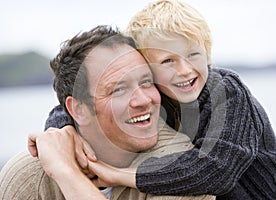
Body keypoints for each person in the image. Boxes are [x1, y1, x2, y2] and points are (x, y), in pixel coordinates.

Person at [41, 0, 276, 199]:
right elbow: (73, 104)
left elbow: (218, 172)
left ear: (208, 56)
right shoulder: (156, 93)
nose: (185, 70)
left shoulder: (227, 93)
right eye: (168, 61)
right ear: (146, 68)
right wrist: (63, 130)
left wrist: (118, 175)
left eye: (194, 54)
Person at [0, 25, 214, 200]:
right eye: (118, 89)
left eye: (146, 82)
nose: (144, 100)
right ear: (78, 109)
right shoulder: (28, 177)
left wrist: (66, 172)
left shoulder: (182, 170)